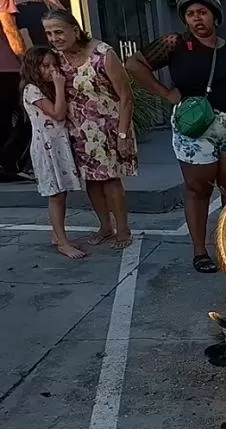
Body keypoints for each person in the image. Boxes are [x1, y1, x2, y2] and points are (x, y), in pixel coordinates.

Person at [126, 0, 226, 273]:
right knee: (198, 189)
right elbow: (134, 63)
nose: (197, 19)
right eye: (190, 14)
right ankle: (200, 251)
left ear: (215, 17)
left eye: (202, 13)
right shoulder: (175, 44)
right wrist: (165, 92)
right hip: (195, 130)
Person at [43, 9, 135, 249]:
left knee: (111, 180)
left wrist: (123, 134)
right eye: (49, 34)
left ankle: (122, 229)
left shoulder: (103, 53)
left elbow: (126, 96)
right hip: (79, 132)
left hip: (109, 129)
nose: (54, 38)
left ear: (75, 30)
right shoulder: (56, 59)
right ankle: (105, 226)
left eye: (59, 32)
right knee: (92, 182)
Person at [20, 45, 84, 258]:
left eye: (54, 65)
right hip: (46, 149)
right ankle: (62, 242)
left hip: (58, 146)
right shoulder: (32, 89)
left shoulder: (44, 88)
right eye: (45, 66)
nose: (52, 70)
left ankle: (58, 235)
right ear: (33, 68)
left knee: (61, 193)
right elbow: (57, 113)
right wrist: (59, 86)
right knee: (55, 195)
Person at [0, 0, 27, 179]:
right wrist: (26, 62)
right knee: (27, 116)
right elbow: (9, 29)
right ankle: (8, 164)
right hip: (8, 70)